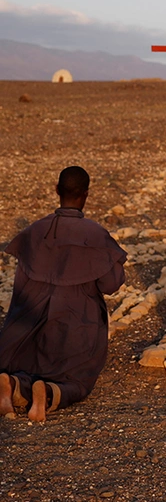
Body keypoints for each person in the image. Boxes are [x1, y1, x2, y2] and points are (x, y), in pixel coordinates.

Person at [0, 166, 126, 421]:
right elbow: (111, 284)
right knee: (76, 381)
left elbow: (21, 284)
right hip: (74, 331)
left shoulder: (35, 232)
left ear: (57, 191)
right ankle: (48, 393)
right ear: (86, 194)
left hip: (26, 334)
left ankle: (13, 384)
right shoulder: (95, 234)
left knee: (26, 368)